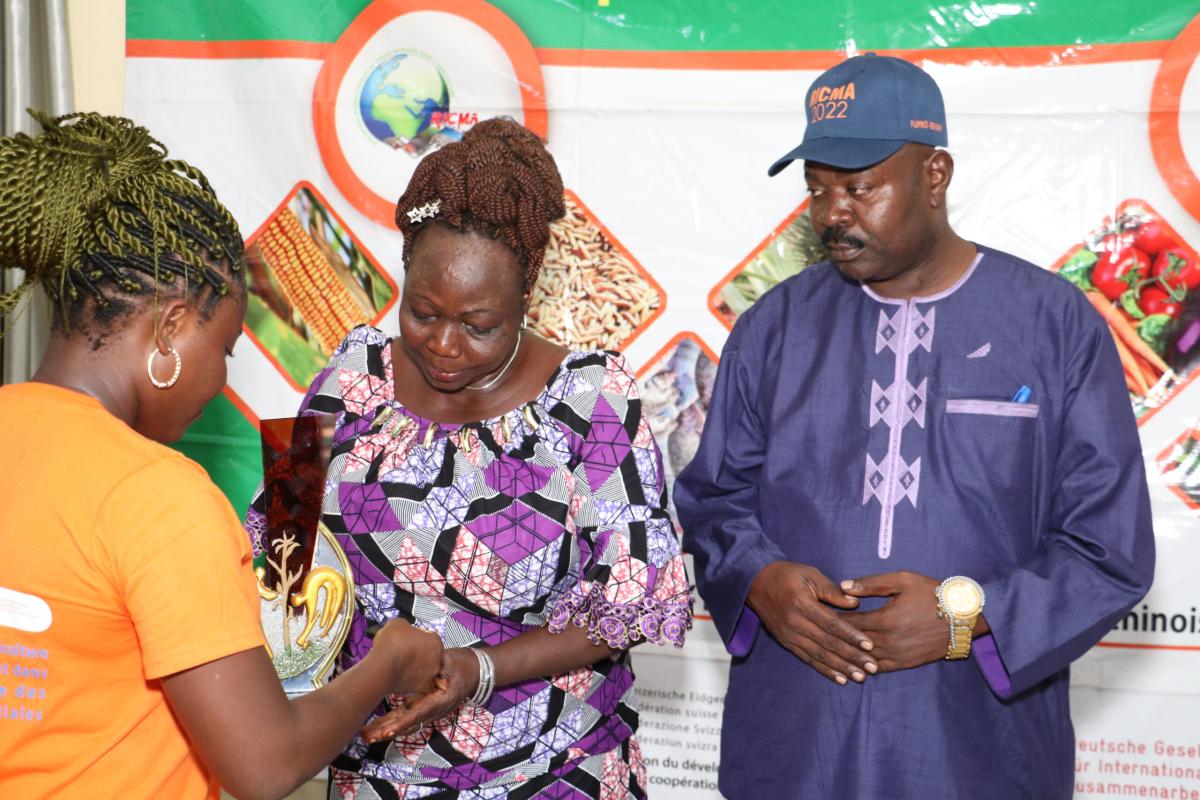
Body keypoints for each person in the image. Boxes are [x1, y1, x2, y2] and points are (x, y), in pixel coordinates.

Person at [675, 54, 1154, 798]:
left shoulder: (1053, 324)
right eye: (818, 189)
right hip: (799, 736)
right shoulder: (774, 327)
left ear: (935, 175)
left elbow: (1108, 549)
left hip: (975, 746)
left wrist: (965, 619)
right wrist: (760, 580)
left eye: (859, 187)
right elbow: (712, 500)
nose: (833, 213)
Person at [243, 117, 692, 799]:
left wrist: (478, 669)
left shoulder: (594, 401)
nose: (445, 345)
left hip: (551, 769)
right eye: (423, 314)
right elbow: (281, 546)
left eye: (479, 326)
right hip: (378, 772)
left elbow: (629, 602)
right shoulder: (350, 376)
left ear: (526, 295)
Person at [0, 111, 442, 800]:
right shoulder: (159, 498)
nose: (219, 381)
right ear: (171, 329)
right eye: (226, 349)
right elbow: (263, 764)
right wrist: (386, 664)